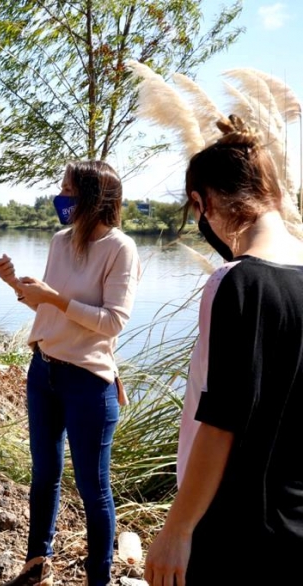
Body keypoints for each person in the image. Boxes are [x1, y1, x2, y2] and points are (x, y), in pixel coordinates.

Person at [144, 116, 303, 585]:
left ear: (203, 201)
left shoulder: (237, 282)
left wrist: (177, 529)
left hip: (235, 526)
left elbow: (220, 423)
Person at [0, 160, 141, 586]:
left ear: (95, 198)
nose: (61, 197)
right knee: (44, 475)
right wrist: (14, 286)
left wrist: (55, 299)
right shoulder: (60, 241)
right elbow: (44, 306)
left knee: (94, 489)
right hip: (43, 372)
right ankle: (36, 565)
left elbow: (113, 321)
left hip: (88, 383)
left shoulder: (120, 248)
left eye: (68, 190)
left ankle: (98, 579)